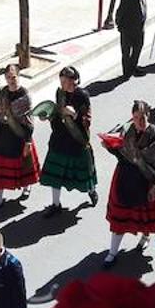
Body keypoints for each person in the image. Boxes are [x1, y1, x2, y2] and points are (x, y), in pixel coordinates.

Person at [103, 100, 155, 265]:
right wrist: (110, 147)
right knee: (121, 215)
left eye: (143, 117)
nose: (139, 121)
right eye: (136, 117)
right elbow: (123, 154)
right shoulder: (127, 130)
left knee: (144, 215)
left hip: (146, 178)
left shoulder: (154, 134)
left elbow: (154, 160)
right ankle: (112, 253)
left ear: (148, 115)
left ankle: (145, 236)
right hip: (125, 177)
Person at [40, 66, 98, 214]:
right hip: (60, 139)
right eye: (61, 80)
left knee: (84, 172)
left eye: (66, 81)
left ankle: (91, 190)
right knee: (55, 175)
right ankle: (55, 204)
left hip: (77, 140)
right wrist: (47, 116)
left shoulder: (82, 95)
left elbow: (87, 121)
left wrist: (75, 115)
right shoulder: (59, 93)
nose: (63, 84)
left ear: (74, 81)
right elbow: (57, 113)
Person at [0, 66, 40, 210]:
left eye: (14, 77)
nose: (11, 80)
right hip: (2, 136)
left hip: (19, 136)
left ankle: (26, 186)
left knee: (23, 167)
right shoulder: (3, 92)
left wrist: (28, 141)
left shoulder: (24, 95)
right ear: (5, 78)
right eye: (8, 77)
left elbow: (29, 120)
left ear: (18, 76)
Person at [115, 0, 148, 79]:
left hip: (139, 29)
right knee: (126, 52)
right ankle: (126, 72)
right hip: (128, 30)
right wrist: (120, 26)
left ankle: (133, 67)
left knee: (137, 49)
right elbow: (119, 13)